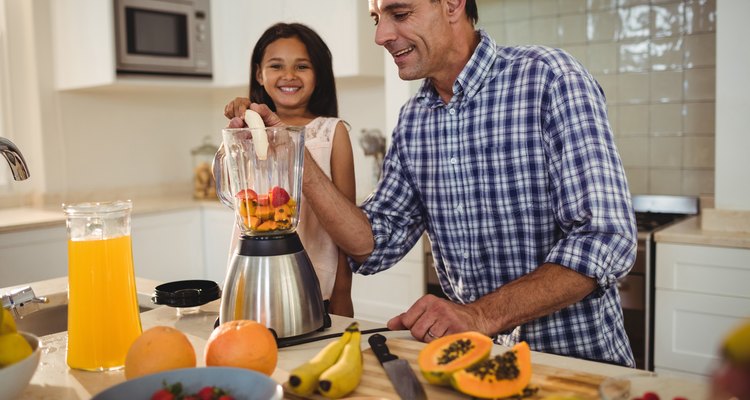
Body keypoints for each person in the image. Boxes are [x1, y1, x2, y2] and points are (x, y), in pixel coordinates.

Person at [225, 0, 638, 367]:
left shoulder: (549, 78)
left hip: (574, 365)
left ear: (453, 4)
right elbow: (374, 242)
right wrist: (292, 152)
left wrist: (478, 315)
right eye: (376, 18)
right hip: (469, 363)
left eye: (399, 13)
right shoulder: (414, 119)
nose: (381, 35)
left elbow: (606, 238)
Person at [224, 22, 356, 317]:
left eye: (302, 66)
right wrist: (243, 123)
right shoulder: (248, 130)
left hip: (318, 286)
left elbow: (348, 227)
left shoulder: (331, 133)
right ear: (260, 73)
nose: (289, 76)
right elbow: (228, 183)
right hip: (254, 279)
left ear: (318, 74)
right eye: (276, 66)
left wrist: (343, 293)